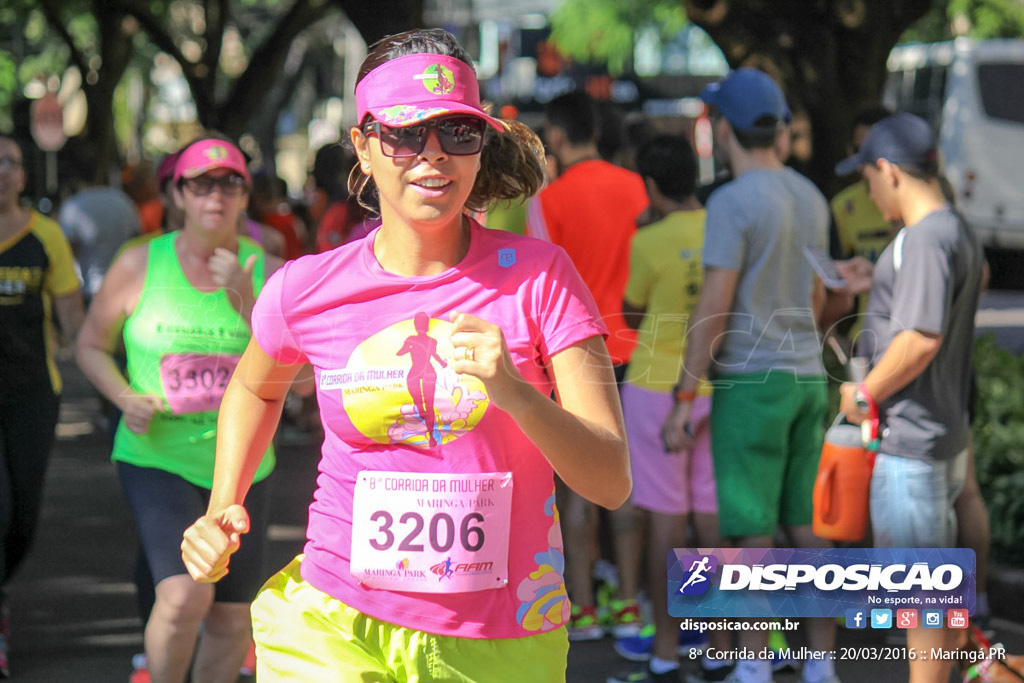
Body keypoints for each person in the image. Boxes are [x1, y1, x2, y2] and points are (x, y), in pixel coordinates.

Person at [180, 28, 630, 682]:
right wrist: (224, 499)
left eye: (457, 133)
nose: (433, 156)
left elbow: (610, 480)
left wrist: (513, 390)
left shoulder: (541, 278)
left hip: (501, 634)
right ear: (363, 145)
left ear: (482, 144)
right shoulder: (307, 288)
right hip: (335, 621)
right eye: (404, 134)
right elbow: (257, 387)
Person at [76, 136, 285, 683]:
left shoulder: (272, 273)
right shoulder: (140, 262)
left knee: (234, 613)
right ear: (177, 194)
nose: (216, 195)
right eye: (201, 183)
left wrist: (247, 298)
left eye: (230, 182)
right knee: (185, 596)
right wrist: (123, 396)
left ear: (245, 196)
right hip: (157, 454)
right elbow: (89, 345)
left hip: (242, 464)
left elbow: (303, 380)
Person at [661, 68, 839, 683]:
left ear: (723, 127)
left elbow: (715, 304)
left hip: (750, 383)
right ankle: (819, 664)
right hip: (806, 379)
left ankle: (756, 666)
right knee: (807, 526)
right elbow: (820, 298)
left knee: (749, 529)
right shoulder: (810, 196)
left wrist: (685, 394)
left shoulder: (732, 202)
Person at [835, 112, 984, 683]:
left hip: (910, 446)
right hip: (943, 435)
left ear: (889, 171)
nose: (869, 195)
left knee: (921, 598)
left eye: (870, 180)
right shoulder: (954, 229)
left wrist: (863, 394)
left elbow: (922, 338)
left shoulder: (921, 239)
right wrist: (880, 280)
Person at [606, 135, 731, 683]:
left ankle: (665, 646)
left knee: (664, 519)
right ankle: (720, 641)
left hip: (656, 387)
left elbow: (632, 315)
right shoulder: (725, 229)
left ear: (652, 187)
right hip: (719, 383)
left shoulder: (649, 241)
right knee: (713, 518)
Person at [525, 90, 648, 641]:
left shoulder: (549, 198)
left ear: (556, 135)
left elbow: (539, 276)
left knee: (574, 488)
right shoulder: (638, 187)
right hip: (637, 351)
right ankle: (626, 601)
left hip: (570, 357)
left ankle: (580, 608)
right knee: (626, 484)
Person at [0, 135, 85, 678]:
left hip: (33, 394)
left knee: (23, 517)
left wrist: (103, 361)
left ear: (23, 175)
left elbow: (74, 316)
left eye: (8, 162)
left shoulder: (45, 236)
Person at [58, 168, 141, 306]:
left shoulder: (72, 205)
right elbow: (137, 241)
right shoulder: (124, 201)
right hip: (125, 288)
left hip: (89, 289)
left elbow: (67, 253)